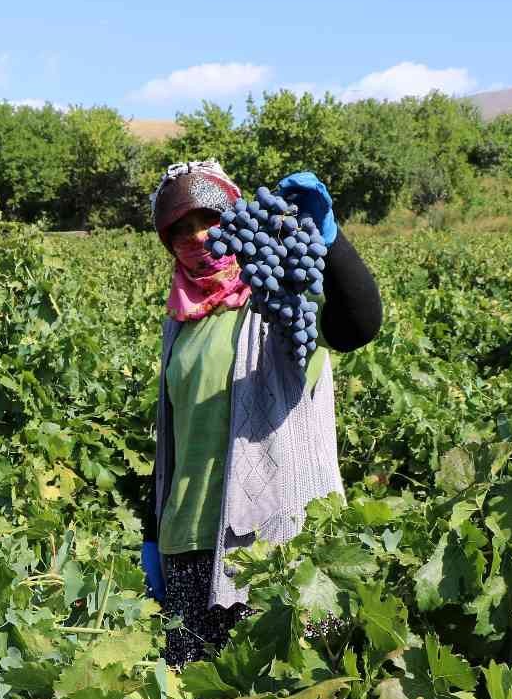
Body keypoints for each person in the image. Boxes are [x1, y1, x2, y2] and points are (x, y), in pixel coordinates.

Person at [142, 161, 382, 666]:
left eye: (208, 219)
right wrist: (152, 533)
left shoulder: (278, 294)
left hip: (278, 544)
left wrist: (330, 241)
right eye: (179, 229)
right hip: (188, 546)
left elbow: (356, 326)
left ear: (235, 216)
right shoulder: (178, 322)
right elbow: (174, 436)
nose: (197, 236)